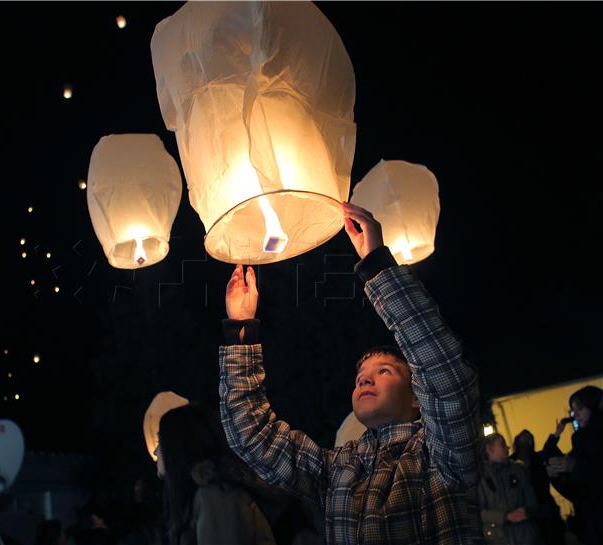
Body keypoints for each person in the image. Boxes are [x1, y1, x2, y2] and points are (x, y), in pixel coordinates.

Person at [219, 201, 482, 545]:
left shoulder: (442, 456)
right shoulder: (338, 469)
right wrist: (241, 329)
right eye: (361, 374)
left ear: (418, 397)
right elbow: (252, 435)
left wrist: (377, 266)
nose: (364, 378)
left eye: (384, 370)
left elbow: (445, 372)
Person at [154, 402, 278, 545]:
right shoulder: (211, 493)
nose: (155, 451)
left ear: (178, 445)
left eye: (160, 441)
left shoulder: (216, 495)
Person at [544, 385, 603, 545]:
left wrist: (575, 467)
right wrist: (558, 475)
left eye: (581, 409)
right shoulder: (580, 439)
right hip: (590, 524)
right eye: (573, 410)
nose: (575, 415)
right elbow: (578, 490)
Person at [477, 433, 542, 544]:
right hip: (499, 539)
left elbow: (531, 499)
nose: (507, 448)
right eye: (502, 444)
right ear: (489, 449)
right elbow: (479, 512)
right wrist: (505, 517)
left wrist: (526, 510)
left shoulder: (518, 470)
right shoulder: (480, 479)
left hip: (526, 536)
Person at [510, 430, 565, 545]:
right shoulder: (511, 463)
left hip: (544, 508)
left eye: (529, 440)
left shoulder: (537, 459)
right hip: (527, 512)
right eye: (524, 440)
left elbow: (548, 449)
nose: (527, 443)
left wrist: (556, 434)